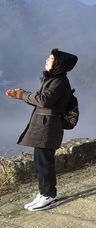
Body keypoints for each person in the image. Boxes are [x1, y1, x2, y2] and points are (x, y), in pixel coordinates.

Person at [5, 49, 77, 211]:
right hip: (43, 125)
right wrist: (20, 95)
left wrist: (23, 95)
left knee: (44, 163)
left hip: (49, 127)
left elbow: (44, 100)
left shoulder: (60, 81)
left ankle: (49, 196)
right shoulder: (52, 79)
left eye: (51, 58)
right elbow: (40, 100)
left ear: (58, 63)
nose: (47, 60)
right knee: (39, 161)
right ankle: (43, 193)